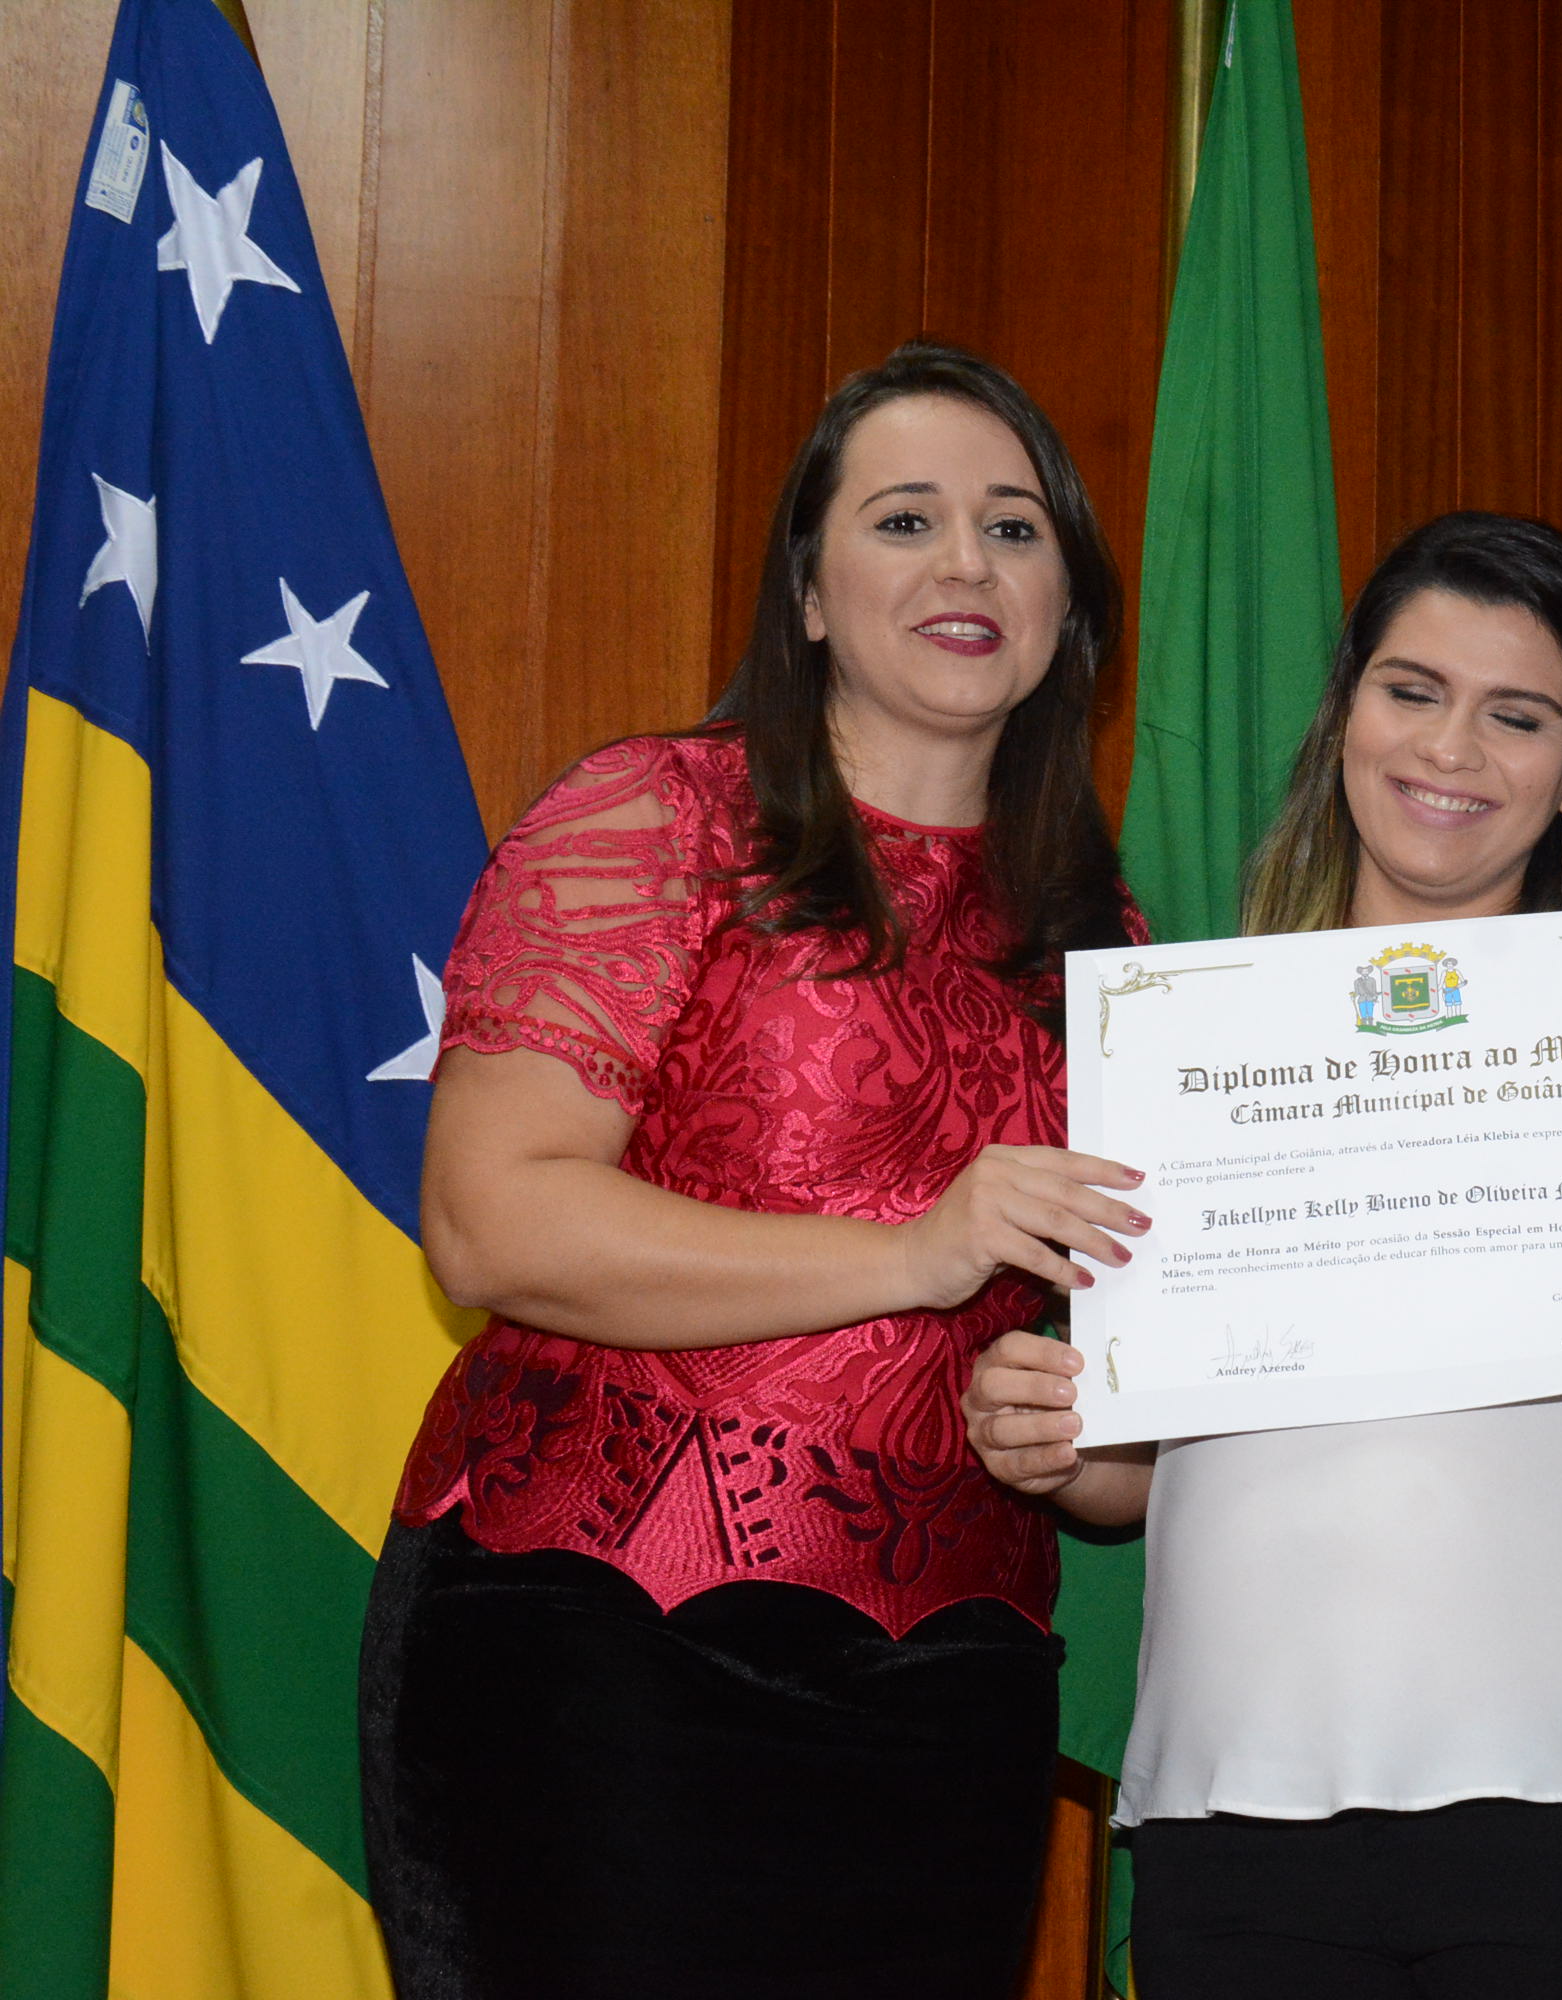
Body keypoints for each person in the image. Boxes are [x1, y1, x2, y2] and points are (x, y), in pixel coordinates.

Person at [964, 512, 1562, 1999]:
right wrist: (1057, 1442)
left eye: (1517, 716)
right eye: (1413, 691)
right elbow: (1142, 1465)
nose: (1451, 748)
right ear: (1346, 713)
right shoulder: (1182, 1051)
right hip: (1248, 1814)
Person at [359, 341, 1146, 1999]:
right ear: (807, 593)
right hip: (595, 1654)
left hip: (956, 1694)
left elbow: (1128, 1439)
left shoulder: (1115, 948)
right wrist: (913, 1252)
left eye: (1014, 529)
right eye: (905, 520)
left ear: (1069, 608)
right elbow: (490, 1221)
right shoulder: (652, 817)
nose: (964, 565)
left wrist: (1081, 1437)